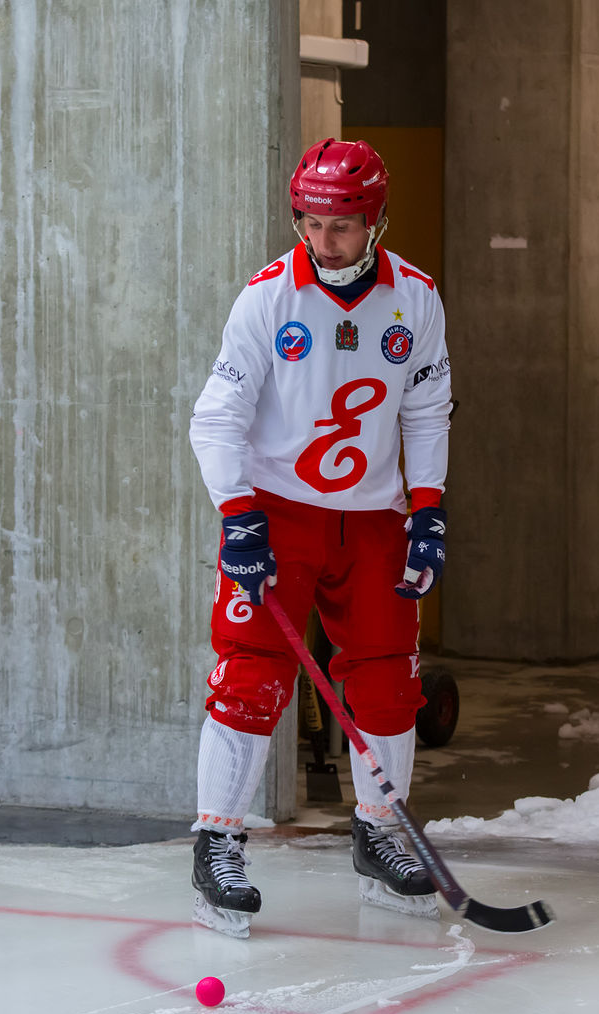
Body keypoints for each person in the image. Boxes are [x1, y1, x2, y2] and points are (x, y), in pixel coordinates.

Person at [186, 137, 453, 938]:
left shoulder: (417, 298)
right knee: (251, 675)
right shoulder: (268, 298)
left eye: (341, 225)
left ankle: (379, 833)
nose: (323, 240)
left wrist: (428, 510)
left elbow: (426, 410)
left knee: (387, 679)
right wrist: (240, 516)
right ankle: (217, 845)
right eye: (310, 222)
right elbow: (216, 419)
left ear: (375, 221)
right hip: (279, 514)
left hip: (374, 521)